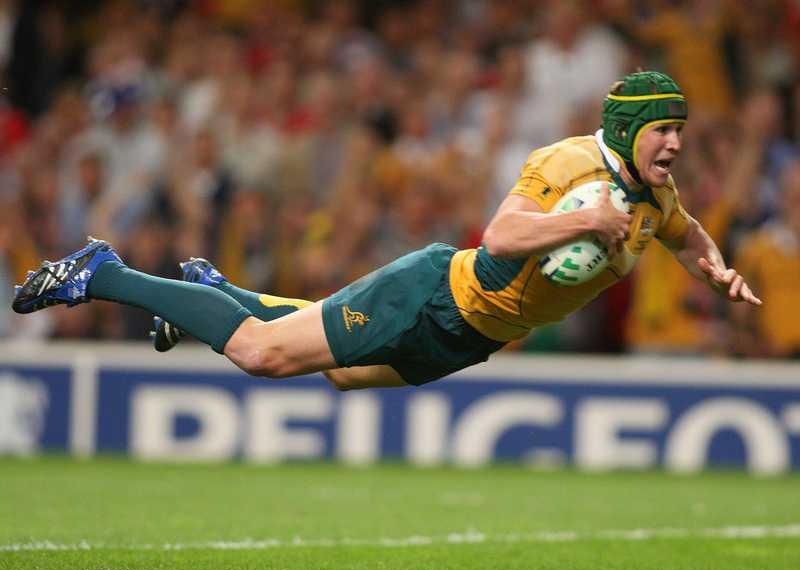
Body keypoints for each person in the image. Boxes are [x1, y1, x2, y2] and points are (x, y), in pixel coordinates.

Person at [12, 71, 762, 390]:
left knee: (335, 370)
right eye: (664, 130)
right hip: (436, 294)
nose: (675, 145)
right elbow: (500, 236)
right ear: (630, 128)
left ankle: (216, 290)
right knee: (262, 356)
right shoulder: (567, 166)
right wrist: (591, 219)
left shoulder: (656, 197)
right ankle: (102, 271)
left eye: (681, 132)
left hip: (474, 338)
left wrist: (717, 269)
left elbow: (689, 235)